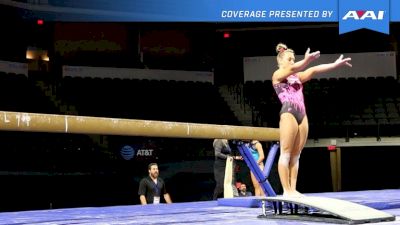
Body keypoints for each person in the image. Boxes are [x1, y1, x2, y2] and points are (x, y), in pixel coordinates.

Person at [272, 43, 352, 197]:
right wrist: (307, 60)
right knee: (286, 153)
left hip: (302, 115)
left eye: (294, 59)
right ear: (281, 61)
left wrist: (335, 65)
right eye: (289, 59)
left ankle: (293, 188)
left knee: (296, 155)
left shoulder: (297, 77)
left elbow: (314, 70)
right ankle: (286, 190)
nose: (292, 61)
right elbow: (294, 68)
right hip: (288, 112)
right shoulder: (277, 75)